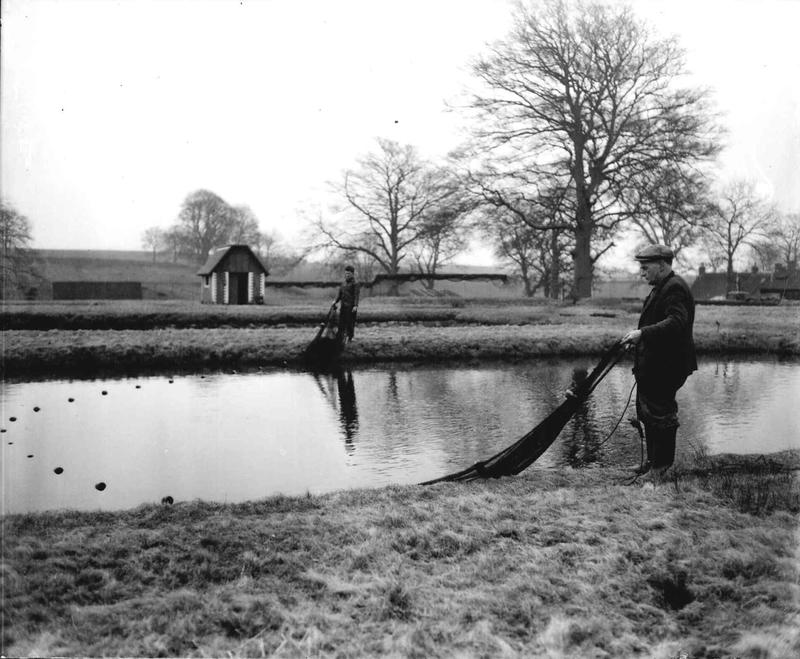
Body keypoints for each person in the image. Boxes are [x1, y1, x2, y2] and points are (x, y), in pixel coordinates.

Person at [621, 244, 697, 478]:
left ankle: (661, 467)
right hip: (655, 365)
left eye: (645, 267)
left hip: (668, 367)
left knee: (660, 413)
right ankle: (654, 462)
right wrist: (638, 340)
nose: (642, 272)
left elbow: (676, 322)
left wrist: (642, 334)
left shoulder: (674, 288)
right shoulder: (661, 287)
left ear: (662, 265)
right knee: (648, 413)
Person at [332, 265, 360, 345]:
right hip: (343, 306)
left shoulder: (356, 283)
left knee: (350, 322)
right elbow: (339, 294)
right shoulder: (343, 283)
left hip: (351, 307)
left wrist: (355, 305)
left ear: (352, 274)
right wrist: (335, 301)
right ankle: (340, 336)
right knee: (341, 322)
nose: (347, 275)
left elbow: (356, 295)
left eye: (348, 273)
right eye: (346, 273)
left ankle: (350, 337)